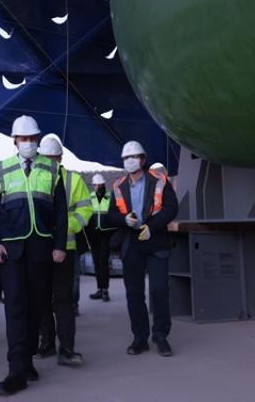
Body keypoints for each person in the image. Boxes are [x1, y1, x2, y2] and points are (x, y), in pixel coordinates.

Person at [0, 116, 68, 397]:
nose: (29, 143)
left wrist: (60, 245)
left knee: (37, 307)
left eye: (33, 139)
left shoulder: (52, 170)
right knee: (16, 309)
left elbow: (61, 212)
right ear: (15, 141)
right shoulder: (0, 170)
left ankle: (27, 361)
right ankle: (16, 370)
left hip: (41, 249)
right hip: (11, 251)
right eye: (24, 139)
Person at [105, 141, 178, 358]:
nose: (129, 161)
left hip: (155, 240)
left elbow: (171, 208)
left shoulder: (159, 180)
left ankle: (161, 336)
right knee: (134, 294)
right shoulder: (118, 185)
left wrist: (152, 227)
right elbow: (111, 215)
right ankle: (140, 338)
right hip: (131, 243)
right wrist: (124, 219)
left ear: (143, 160)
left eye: (133, 157)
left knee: (159, 291)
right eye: (126, 158)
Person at [35, 135, 90, 366]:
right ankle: (46, 344)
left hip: (64, 249)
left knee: (63, 301)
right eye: (46, 157)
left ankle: (66, 349)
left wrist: (67, 225)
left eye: (53, 157)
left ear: (60, 158)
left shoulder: (73, 180)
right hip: (39, 249)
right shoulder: (34, 178)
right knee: (41, 300)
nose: (50, 161)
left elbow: (85, 208)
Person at [86, 173, 115, 302]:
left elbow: (114, 214)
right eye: (95, 184)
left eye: (99, 184)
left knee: (103, 262)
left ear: (103, 184)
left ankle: (105, 290)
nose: (97, 186)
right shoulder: (90, 197)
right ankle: (99, 289)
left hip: (106, 234)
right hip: (94, 235)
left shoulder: (110, 197)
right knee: (96, 263)